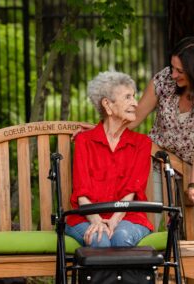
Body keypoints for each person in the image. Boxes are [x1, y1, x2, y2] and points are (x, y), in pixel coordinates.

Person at [128, 36, 194, 242]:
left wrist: (193, 185)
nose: (173, 74)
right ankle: (147, 273)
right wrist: (101, 129)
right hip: (158, 162)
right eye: (172, 67)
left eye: (180, 71)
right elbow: (135, 118)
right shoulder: (164, 80)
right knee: (148, 224)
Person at [65, 71, 154, 248]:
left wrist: (113, 220)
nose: (135, 104)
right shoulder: (84, 141)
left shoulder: (141, 144)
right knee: (100, 239)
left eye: (134, 97)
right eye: (128, 97)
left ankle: (115, 277)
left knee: (120, 237)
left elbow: (132, 191)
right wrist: (97, 221)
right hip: (85, 216)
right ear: (107, 104)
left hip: (128, 216)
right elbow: (82, 194)